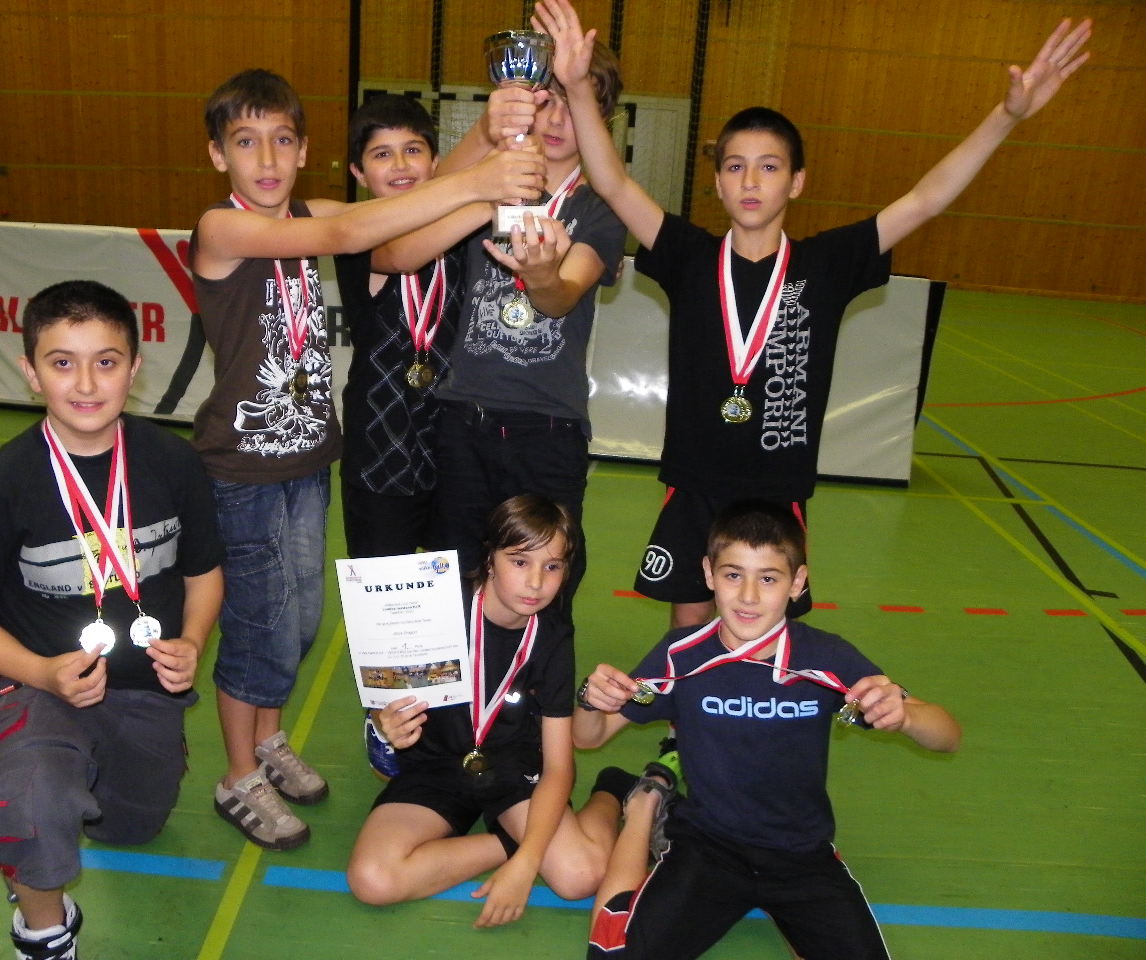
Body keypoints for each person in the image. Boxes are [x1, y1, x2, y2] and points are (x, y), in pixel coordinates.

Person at [534, 0, 1091, 629]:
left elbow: (926, 199)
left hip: (778, 489)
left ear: (796, 182)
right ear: (717, 182)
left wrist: (1005, 116)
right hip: (695, 482)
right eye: (735, 167)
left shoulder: (827, 264)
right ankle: (686, 701)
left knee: (764, 637)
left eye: (769, 167)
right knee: (689, 635)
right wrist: (577, 87)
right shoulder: (689, 255)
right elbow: (613, 182)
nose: (751, 181)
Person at [191, 69, 545, 850]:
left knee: (299, 621)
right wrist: (485, 185)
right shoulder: (223, 227)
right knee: (258, 630)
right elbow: (354, 237)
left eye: (282, 140)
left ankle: (270, 741)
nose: (267, 158)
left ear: (304, 150)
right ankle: (238, 774)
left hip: (309, 459)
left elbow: (409, 196)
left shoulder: (310, 209)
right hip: (243, 469)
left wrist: (486, 134)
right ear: (219, 156)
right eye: (246, 142)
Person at [0, 279, 226, 960]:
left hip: (145, 689)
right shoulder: (4, 482)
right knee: (32, 807)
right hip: (38, 684)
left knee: (131, 828)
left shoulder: (173, 461)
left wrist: (192, 641)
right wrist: (42, 673)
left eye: (107, 361)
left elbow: (203, 573)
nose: (87, 383)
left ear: (134, 367)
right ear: (31, 373)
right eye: (62, 362)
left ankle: (88, 778)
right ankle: (43, 926)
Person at [573, 500, 962, 959]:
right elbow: (589, 736)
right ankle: (645, 802)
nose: (748, 596)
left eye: (769, 579)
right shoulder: (682, 654)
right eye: (733, 575)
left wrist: (907, 716)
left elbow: (948, 736)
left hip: (800, 855)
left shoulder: (826, 658)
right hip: (709, 848)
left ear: (797, 583)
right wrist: (591, 699)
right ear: (708, 573)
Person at [370, 40, 629, 620]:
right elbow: (400, 241)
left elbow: (563, 296)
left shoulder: (601, 209)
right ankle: (456, 684)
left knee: (546, 588)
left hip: (549, 427)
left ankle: (540, 682)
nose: (556, 120)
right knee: (455, 582)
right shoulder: (485, 184)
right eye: (545, 101)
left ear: (601, 118)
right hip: (463, 418)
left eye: (574, 106)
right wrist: (487, 150)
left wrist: (541, 277)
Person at [346, 495, 627, 929]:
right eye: (520, 561)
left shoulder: (553, 636)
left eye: (553, 566)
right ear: (490, 558)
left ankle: (613, 791)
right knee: (373, 880)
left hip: (511, 765)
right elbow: (387, 702)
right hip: (435, 763)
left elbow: (558, 766)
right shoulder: (433, 606)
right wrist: (388, 725)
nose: (536, 582)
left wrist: (528, 863)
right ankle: (506, 841)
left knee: (579, 877)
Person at [335, 93, 468, 780]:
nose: (401, 165)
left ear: (435, 161)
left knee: (457, 592)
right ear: (359, 173)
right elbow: (404, 250)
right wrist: (480, 190)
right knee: (386, 599)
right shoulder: (359, 236)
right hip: (379, 445)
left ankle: (455, 718)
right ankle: (386, 720)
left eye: (414, 150)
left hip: (452, 444)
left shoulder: (465, 233)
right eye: (382, 155)